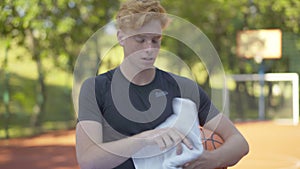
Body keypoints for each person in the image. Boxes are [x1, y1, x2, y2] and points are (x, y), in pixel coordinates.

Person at [75, 0, 249, 169]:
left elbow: (239, 142)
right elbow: (88, 160)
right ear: (121, 37)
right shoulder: (96, 89)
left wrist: (212, 159)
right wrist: (144, 140)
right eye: (140, 40)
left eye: (155, 40)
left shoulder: (184, 88)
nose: (149, 48)